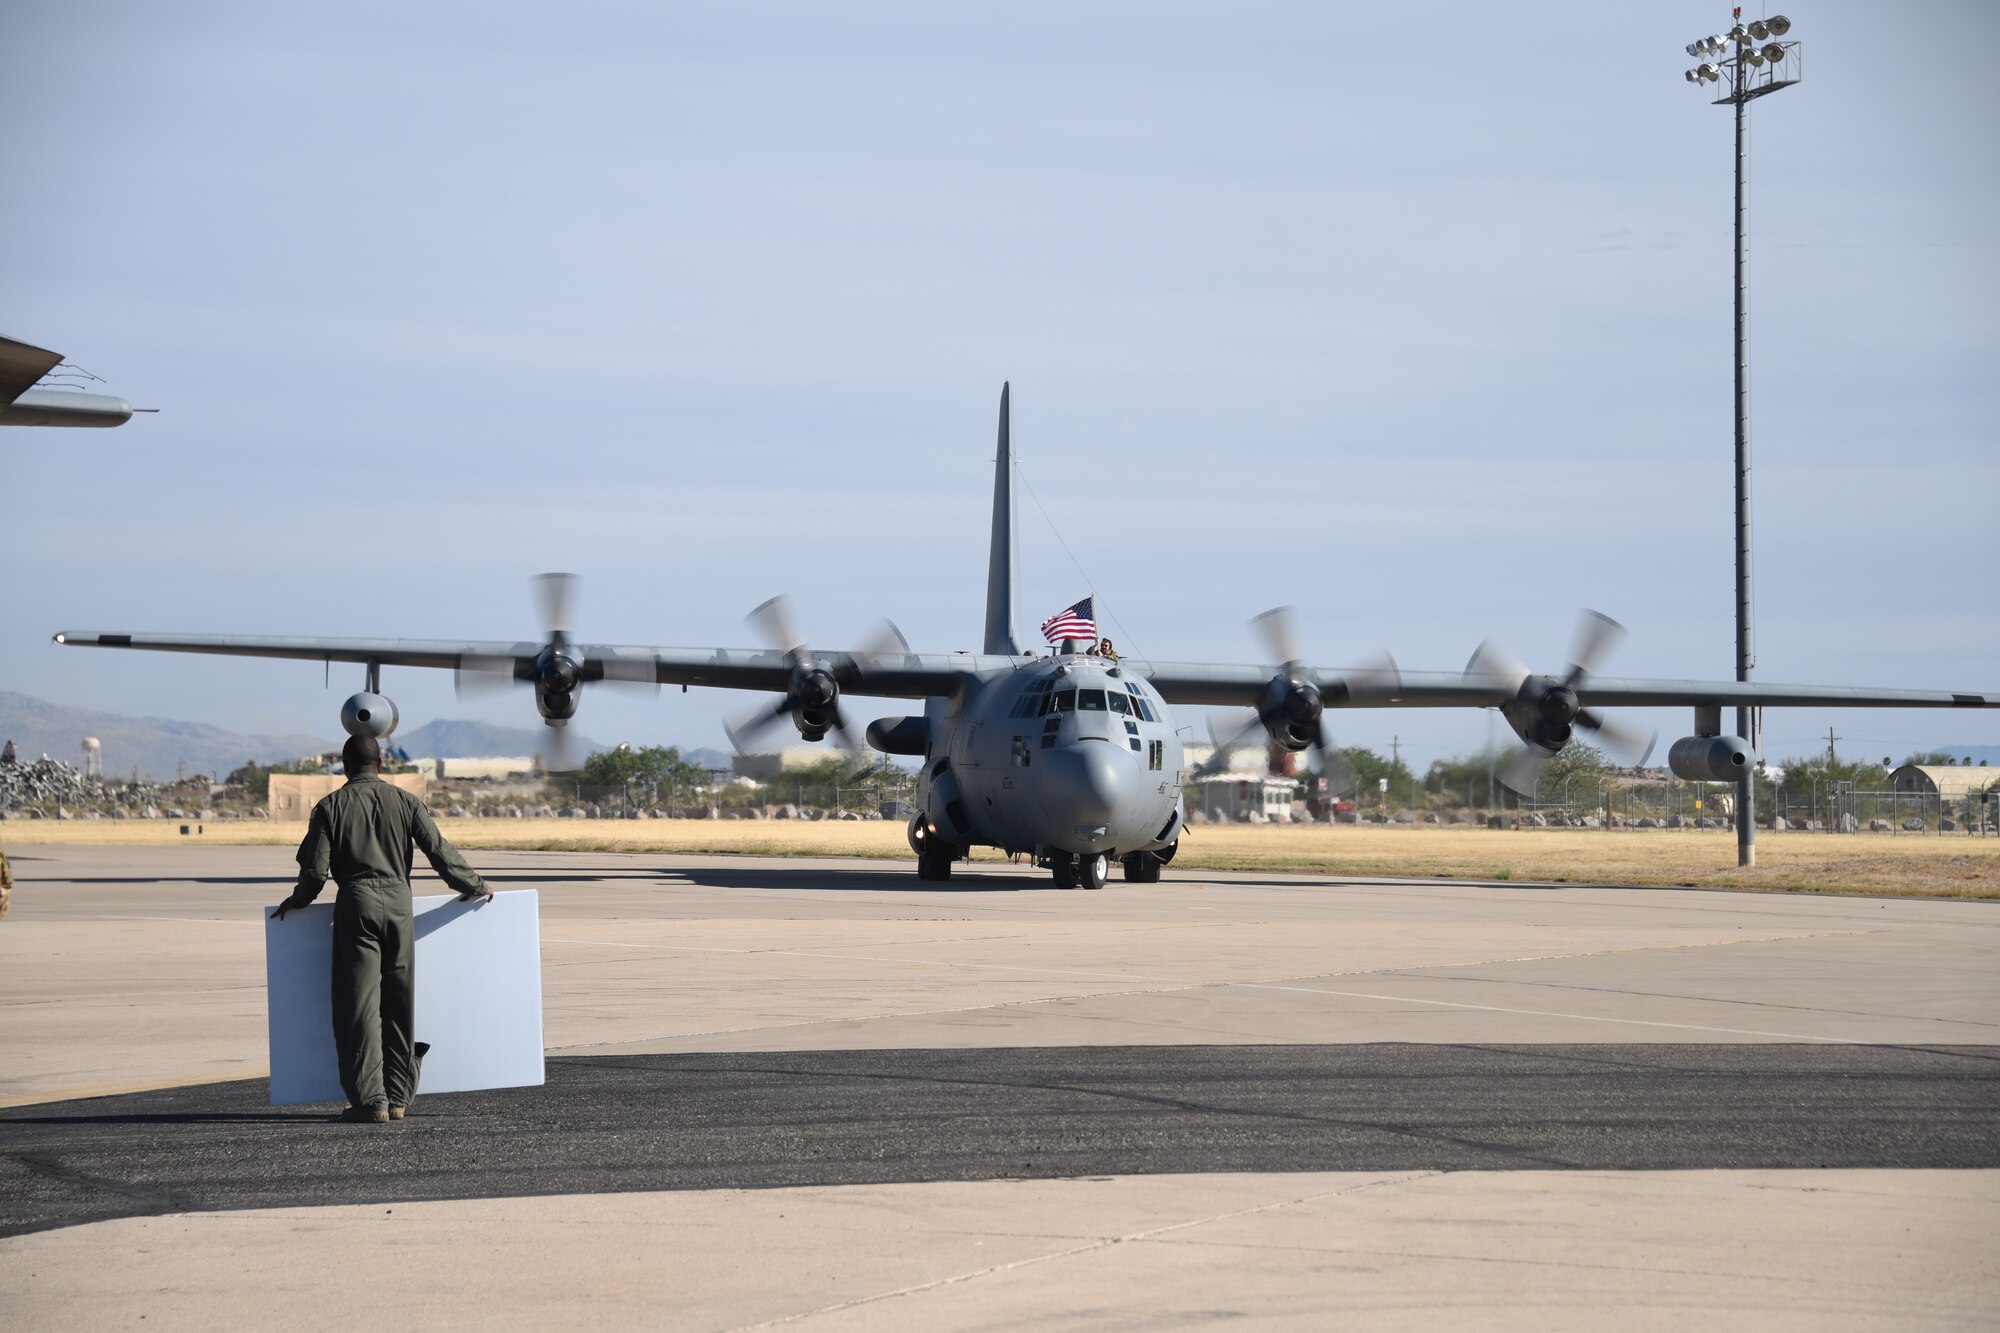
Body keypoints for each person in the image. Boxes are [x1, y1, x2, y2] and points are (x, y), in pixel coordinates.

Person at [271, 734, 488, 1124]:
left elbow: (316, 872)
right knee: (399, 1003)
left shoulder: (330, 806)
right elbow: (440, 852)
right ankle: (400, 1096)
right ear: (381, 764)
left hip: (356, 907)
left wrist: (297, 900)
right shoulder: (406, 802)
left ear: (344, 765)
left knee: (360, 1008)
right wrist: (475, 885)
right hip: (399, 905)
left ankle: (371, 1101)